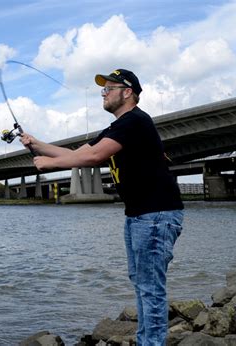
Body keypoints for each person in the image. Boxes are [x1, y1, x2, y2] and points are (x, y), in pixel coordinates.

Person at [20, 68, 184, 345]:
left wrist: (49, 164)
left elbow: (94, 157)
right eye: (103, 90)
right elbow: (77, 154)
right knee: (142, 283)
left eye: (109, 88)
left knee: (150, 289)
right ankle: (147, 340)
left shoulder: (135, 121)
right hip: (139, 215)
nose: (104, 94)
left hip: (156, 214)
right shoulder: (118, 127)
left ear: (127, 92)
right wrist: (37, 144)